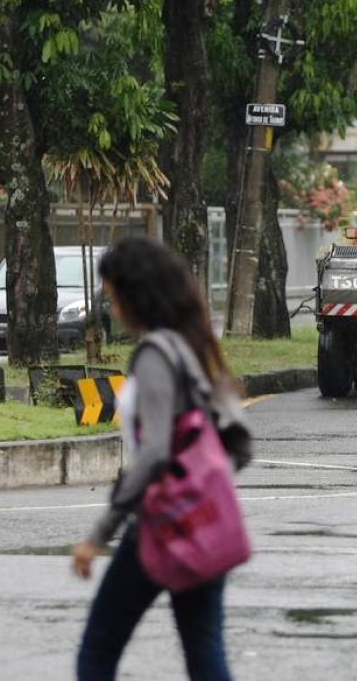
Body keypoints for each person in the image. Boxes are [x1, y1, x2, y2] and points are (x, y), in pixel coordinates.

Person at [73, 237, 236, 681]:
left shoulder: (156, 356)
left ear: (133, 295)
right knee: (205, 656)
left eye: (112, 297)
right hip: (201, 519)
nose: (111, 308)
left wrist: (99, 533)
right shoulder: (190, 347)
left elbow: (155, 453)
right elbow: (234, 443)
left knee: (96, 654)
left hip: (159, 525)